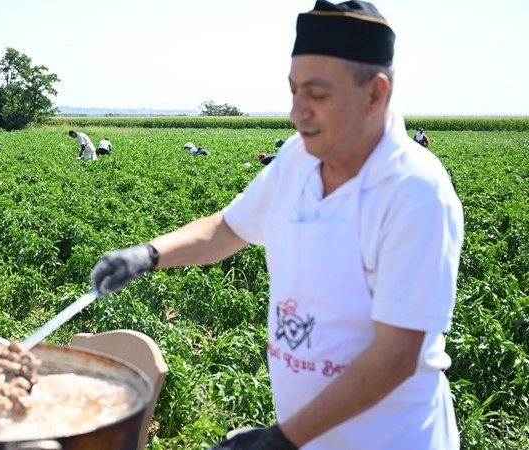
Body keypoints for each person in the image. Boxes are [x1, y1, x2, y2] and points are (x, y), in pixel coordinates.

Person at [89, 2, 463, 449]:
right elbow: (228, 229)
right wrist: (150, 254)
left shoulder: (413, 191)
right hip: (308, 436)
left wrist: (282, 439)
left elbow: (397, 356)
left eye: (317, 94)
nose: (296, 111)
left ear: (375, 94)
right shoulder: (298, 159)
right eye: (293, 91)